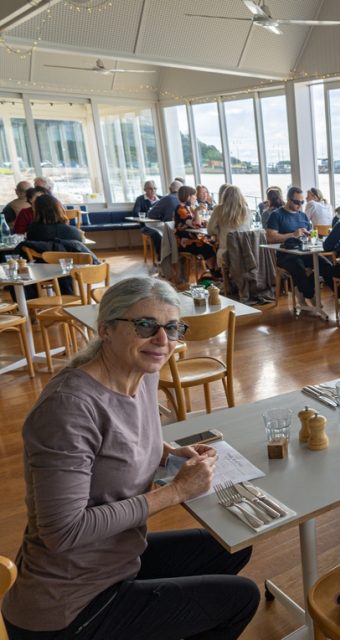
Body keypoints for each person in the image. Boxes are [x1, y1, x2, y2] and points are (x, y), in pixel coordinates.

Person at [1, 277, 259, 638]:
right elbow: (63, 532)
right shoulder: (68, 408)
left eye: (172, 328)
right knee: (241, 598)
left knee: (230, 545)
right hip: (67, 605)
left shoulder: (141, 373)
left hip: (115, 559)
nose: (162, 340)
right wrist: (176, 491)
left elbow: (119, 442)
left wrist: (167, 453)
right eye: (145, 325)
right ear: (105, 329)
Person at [266, 187, 315, 307]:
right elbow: (271, 237)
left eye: (302, 202)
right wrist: (293, 234)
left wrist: (309, 236)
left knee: (325, 264)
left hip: (304, 252)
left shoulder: (303, 216)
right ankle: (310, 295)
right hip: (285, 255)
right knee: (298, 266)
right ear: (288, 200)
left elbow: (309, 234)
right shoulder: (276, 215)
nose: (300, 205)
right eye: (297, 202)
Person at [174, 185, 219, 278]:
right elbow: (195, 224)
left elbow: (198, 223)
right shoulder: (181, 209)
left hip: (193, 238)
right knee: (207, 247)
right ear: (188, 196)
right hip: (185, 242)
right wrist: (197, 211)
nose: (195, 197)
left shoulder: (188, 208)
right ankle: (214, 273)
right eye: (194, 195)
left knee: (215, 243)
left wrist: (203, 221)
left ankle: (216, 270)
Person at [207, 185, 252, 266]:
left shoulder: (219, 209)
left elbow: (210, 230)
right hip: (245, 254)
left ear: (224, 196)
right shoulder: (247, 211)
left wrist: (220, 231)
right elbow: (248, 228)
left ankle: (220, 276)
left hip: (225, 253)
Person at [143, 180, 182, 259]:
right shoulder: (186, 199)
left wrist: (162, 216)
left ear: (170, 189)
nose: (153, 190)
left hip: (172, 230)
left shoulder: (167, 198)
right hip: (183, 230)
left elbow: (151, 214)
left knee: (160, 233)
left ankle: (162, 258)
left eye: (154, 188)